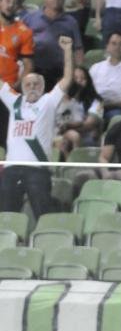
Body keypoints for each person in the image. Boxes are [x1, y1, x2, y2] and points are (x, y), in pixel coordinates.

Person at [0, 36, 73, 219]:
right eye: (28, 84)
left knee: (43, 214)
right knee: (6, 215)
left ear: (43, 87)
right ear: (22, 87)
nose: (32, 87)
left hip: (37, 169)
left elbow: (68, 78)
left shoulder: (48, 102)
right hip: (11, 169)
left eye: (36, 84)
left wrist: (67, 51)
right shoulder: (14, 101)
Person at [22, 0, 84, 91]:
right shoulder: (30, 18)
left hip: (59, 73)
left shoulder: (71, 22)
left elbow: (78, 49)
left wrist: (77, 69)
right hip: (33, 70)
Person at [0, 0, 34, 148]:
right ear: (0, 2)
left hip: (8, 91)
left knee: (5, 136)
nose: (10, 5)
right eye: (7, 1)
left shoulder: (24, 32)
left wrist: (18, 85)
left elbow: (28, 64)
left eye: (14, 3)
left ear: (18, 6)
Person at [89, 30, 121, 122]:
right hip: (94, 105)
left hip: (117, 108)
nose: (117, 47)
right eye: (113, 43)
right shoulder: (96, 67)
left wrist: (105, 105)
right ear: (107, 46)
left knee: (115, 117)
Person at [55, 65, 103, 157]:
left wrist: (65, 127)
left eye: (83, 78)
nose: (79, 81)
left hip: (85, 135)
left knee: (73, 136)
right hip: (60, 132)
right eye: (75, 78)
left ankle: (75, 164)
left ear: (88, 81)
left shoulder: (97, 101)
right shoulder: (60, 98)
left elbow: (88, 125)